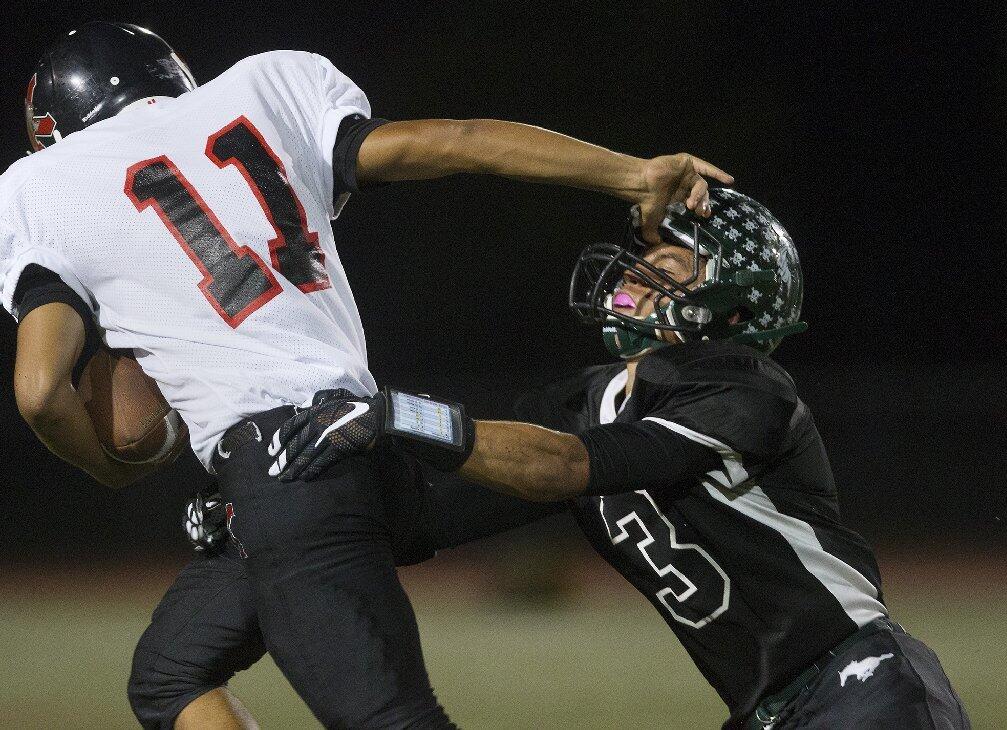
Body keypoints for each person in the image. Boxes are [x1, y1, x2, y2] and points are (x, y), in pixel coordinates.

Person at [1, 20, 730, 729]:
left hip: (292, 475)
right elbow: (461, 140)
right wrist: (636, 173)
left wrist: (109, 469)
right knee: (170, 670)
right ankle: (678, 420)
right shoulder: (262, 88)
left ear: (55, 127)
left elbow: (40, 390)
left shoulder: (42, 187)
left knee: (388, 718)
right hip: (362, 434)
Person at [266, 188, 970, 728]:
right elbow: (429, 506)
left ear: (731, 299)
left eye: (666, 262)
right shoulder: (591, 400)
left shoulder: (745, 388)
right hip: (768, 711)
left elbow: (567, 466)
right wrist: (276, 501)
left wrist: (398, 414)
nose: (635, 273)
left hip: (864, 683)